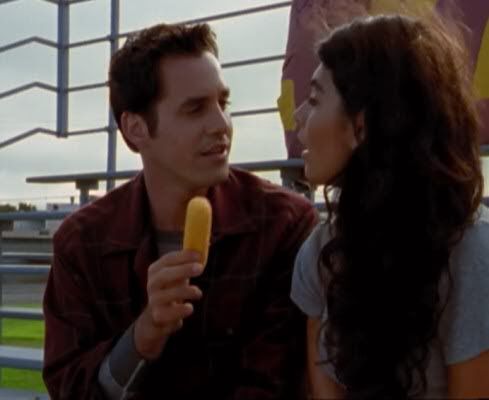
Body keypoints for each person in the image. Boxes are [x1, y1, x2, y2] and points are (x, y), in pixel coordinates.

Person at [42, 22, 318, 399]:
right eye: (195, 109)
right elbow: (68, 387)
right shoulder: (82, 243)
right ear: (136, 128)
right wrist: (141, 338)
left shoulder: (283, 224)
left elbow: (274, 384)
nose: (221, 125)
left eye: (223, 104)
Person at [290, 13, 489, 399]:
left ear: (360, 127)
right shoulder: (319, 252)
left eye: (313, 100)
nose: (299, 117)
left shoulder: (472, 255)